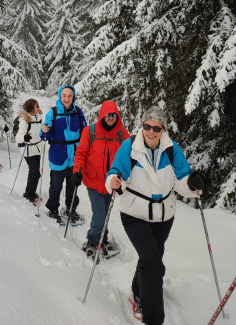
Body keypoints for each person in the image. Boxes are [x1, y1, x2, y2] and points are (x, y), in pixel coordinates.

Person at [106, 106, 205, 325]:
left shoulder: (172, 149)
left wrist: (192, 184)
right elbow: (115, 174)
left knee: (151, 258)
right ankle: (153, 319)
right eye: (147, 126)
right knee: (153, 264)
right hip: (134, 214)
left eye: (156, 128)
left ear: (163, 129)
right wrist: (114, 182)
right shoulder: (130, 146)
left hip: (164, 216)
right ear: (142, 126)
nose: (151, 132)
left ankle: (137, 292)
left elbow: (182, 181)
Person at [72, 100, 130, 260]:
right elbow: (81, 153)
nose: (110, 117)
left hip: (111, 184)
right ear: (102, 115)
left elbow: (129, 157)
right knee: (100, 214)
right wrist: (77, 171)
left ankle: (103, 240)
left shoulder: (122, 134)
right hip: (93, 182)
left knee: (105, 214)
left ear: (117, 116)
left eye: (113, 115)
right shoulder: (90, 131)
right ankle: (91, 243)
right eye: (107, 114)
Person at [40, 85, 87, 223]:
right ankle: (53, 209)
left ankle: (71, 209)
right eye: (64, 96)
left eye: (69, 96)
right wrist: (44, 131)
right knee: (56, 185)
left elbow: (84, 133)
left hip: (75, 157)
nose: (67, 99)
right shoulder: (53, 113)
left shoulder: (78, 112)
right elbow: (44, 136)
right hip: (58, 156)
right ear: (60, 97)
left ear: (74, 97)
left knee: (73, 185)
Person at [15, 98, 43, 204]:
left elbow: (40, 131)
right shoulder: (25, 120)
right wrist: (24, 137)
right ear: (31, 108)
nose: (38, 107)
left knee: (34, 172)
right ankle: (29, 194)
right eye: (37, 106)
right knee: (35, 173)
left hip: (38, 148)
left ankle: (30, 192)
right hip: (28, 150)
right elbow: (18, 137)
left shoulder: (39, 117)